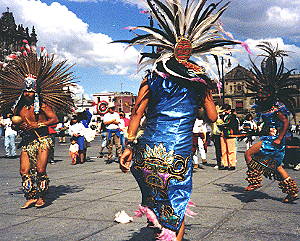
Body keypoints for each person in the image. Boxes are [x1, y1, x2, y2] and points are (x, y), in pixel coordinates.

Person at [117, 1, 239, 239]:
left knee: (158, 195)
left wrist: (128, 145)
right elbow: (213, 117)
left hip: (148, 149)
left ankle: (164, 231)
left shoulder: (151, 77)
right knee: (176, 198)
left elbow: (137, 114)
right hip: (178, 150)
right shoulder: (199, 82)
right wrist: (203, 98)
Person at [0, 51, 75, 209]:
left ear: (35, 92)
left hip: (43, 140)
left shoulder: (42, 105)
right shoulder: (18, 108)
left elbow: (54, 119)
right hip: (28, 141)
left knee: (40, 169)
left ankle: (41, 197)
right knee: (23, 171)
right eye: (26, 91)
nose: (28, 94)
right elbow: (15, 123)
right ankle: (31, 196)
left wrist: (38, 125)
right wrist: (17, 125)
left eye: (30, 92)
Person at [243, 42, 299, 203]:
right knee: (277, 167)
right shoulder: (264, 107)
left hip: (274, 141)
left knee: (248, 154)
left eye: (262, 94)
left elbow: (285, 122)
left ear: (270, 95)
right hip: (271, 138)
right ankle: (292, 192)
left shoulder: (277, 107)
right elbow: (268, 125)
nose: (259, 97)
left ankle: (254, 181)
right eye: (259, 94)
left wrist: (279, 138)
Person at [219, 104, 239, 170]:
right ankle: (225, 164)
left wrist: (224, 125)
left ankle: (232, 164)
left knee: (231, 150)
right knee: (223, 150)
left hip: (230, 134)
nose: (224, 111)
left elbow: (232, 124)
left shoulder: (232, 116)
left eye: (225, 110)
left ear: (229, 110)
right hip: (222, 134)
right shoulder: (221, 116)